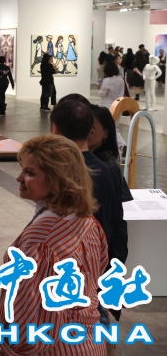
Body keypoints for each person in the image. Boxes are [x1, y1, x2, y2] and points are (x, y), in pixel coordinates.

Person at [0, 134, 107, 356]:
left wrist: (10, 350)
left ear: (57, 179)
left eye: (30, 173)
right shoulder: (88, 222)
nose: (19, 178)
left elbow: (29, 316)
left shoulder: (41, 239)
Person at [49, 99, 127, 268]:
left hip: (68, 268)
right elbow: (117, 221)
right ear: (90, 129)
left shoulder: (57, 172)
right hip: (101, 263)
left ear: (55, 129)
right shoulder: (108, 170)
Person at [88, 104, 133, 203]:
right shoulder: (84, 157)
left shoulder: (107, 166)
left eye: (92, 128)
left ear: (106, 133)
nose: (85, 131)